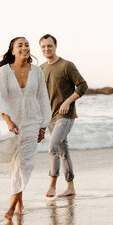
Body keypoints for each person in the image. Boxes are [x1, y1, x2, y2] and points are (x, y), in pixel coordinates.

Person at [0, 37, 51, 220]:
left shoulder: (37, 72)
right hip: (10, 122)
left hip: (32, 121)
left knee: (25, 163)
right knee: (15, 162)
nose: (24, 47)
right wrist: (8, 120)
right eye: (20, 45)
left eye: (27, 44)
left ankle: (11, 208)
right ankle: (20, 201)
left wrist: (43, 126)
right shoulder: (3, 72)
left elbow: (43, 98)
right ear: (12, 50)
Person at [39, 34, 87, 198]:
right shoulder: (41, 69)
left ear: (55, 46)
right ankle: (70, 187)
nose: (47, 49)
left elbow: (82, 85)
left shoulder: (67, 65)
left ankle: (52, 185)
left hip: (66, 116)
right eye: (44, 47)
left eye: (49, 46)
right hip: (50, 117)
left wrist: (67, 102)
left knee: (52, 147)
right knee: (63, 151)